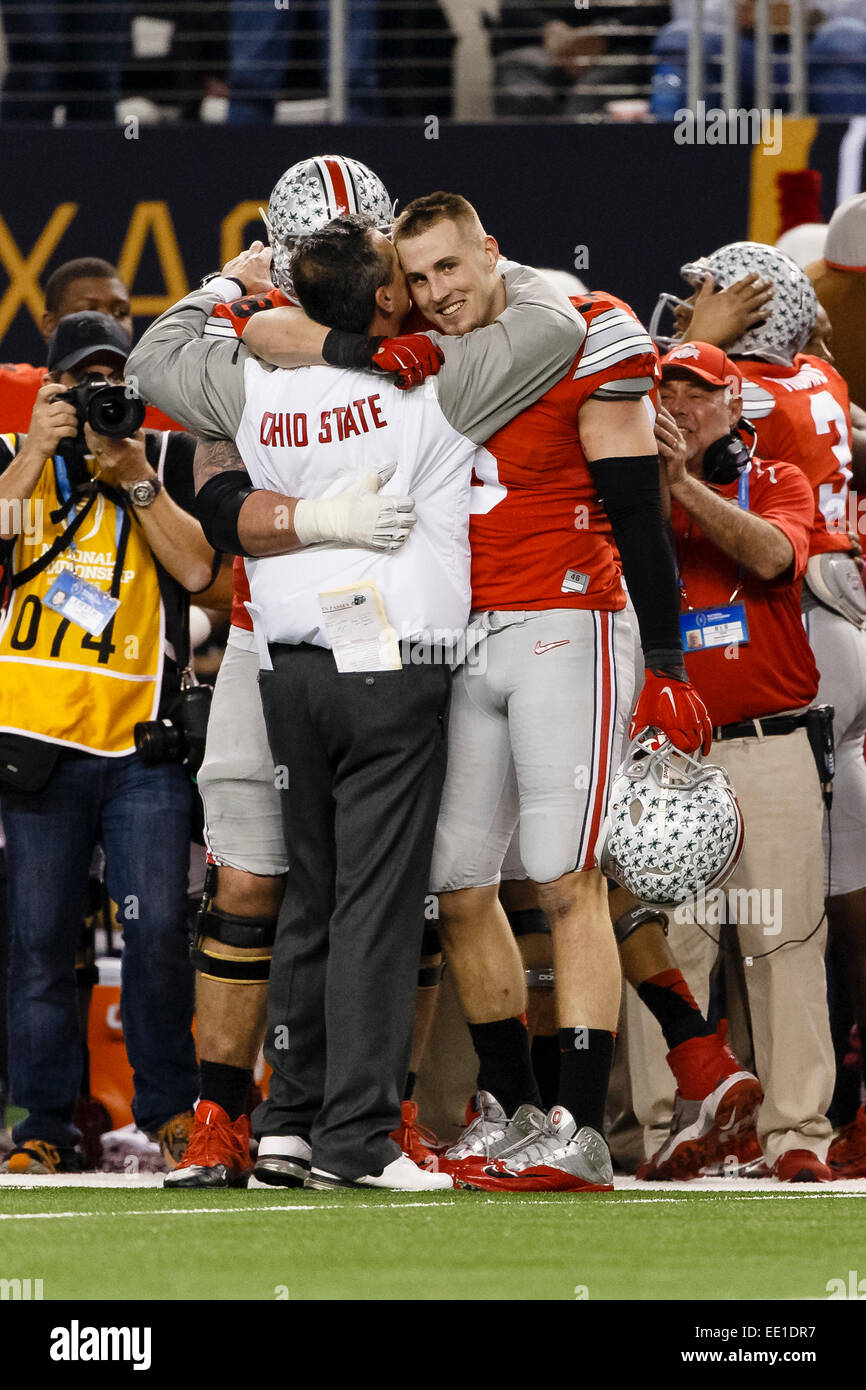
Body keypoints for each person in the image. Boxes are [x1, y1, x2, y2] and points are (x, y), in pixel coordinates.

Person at [126, 209, 586, 1190]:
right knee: (379, 909)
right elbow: (555, 327)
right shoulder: (434, 377)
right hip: (390, 670)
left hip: (286, 668)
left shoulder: (256, 378)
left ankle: (288, 1121)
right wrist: (482, 270)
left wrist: (231, 288)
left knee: (312, 903)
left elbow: (159, 351)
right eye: (403, 278)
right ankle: (361, 1137)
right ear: (385, 297)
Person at [354, 192, 709, 1193]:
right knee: (460, 882)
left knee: (565, 879)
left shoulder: (583, 330)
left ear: (489, 252)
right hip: (462, 638)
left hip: (567, 621)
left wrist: (670, 665)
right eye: (416, 279)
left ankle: (580, 1124)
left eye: (447, 271)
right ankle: (513, 1112)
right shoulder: (420, 353)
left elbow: (638, 515)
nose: (433, 295)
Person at [161, 156, 447, 1190]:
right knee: (255, 881)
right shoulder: (259, 355)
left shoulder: (289, 344)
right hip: (291, 639)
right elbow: (220, 504)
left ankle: (352, 1113)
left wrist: (238, 305)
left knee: (399, 888)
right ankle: (234, 1114)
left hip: (325, 644)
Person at [657, 239, 866, 1178]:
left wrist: (701, 345)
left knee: (785, 921)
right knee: (690, 934)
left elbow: (782, 557)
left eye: (711, 297)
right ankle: (692, 1120)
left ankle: (806, 1121)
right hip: (831, 637)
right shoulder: (816, 377)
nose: (695, 304)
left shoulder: (754, 419)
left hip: (793, 664)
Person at [0, 311, 217, 1174]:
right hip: (37, 744)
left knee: (159, 931)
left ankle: (169, 1111)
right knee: (41, 946)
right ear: (51, 386)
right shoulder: (14, 455)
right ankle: (46, 1127)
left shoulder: (157, 455)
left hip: (141, 747)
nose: (96, 399)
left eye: (111, 385)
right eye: (78, 384)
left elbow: (201, 570)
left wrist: (131, 475)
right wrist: (31, 452)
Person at [626, 340, 836, 1183]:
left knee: (784, 942)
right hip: (668, 759)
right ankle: (668, 1128)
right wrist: (650, 486)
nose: (675, 407)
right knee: (671, 945)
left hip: (769, 744)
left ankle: (798, 1138)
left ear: (733, 405)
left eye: (695, 394)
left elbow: (776, 558)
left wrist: (681, 485)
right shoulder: (623, 495)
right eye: (662, 393)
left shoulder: (777, 478)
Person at [0, 257, 178, 434]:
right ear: (50, 325)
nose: (106, 322)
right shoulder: (6, 389)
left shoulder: (171, 405)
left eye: (120, 312)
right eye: (89, 310)